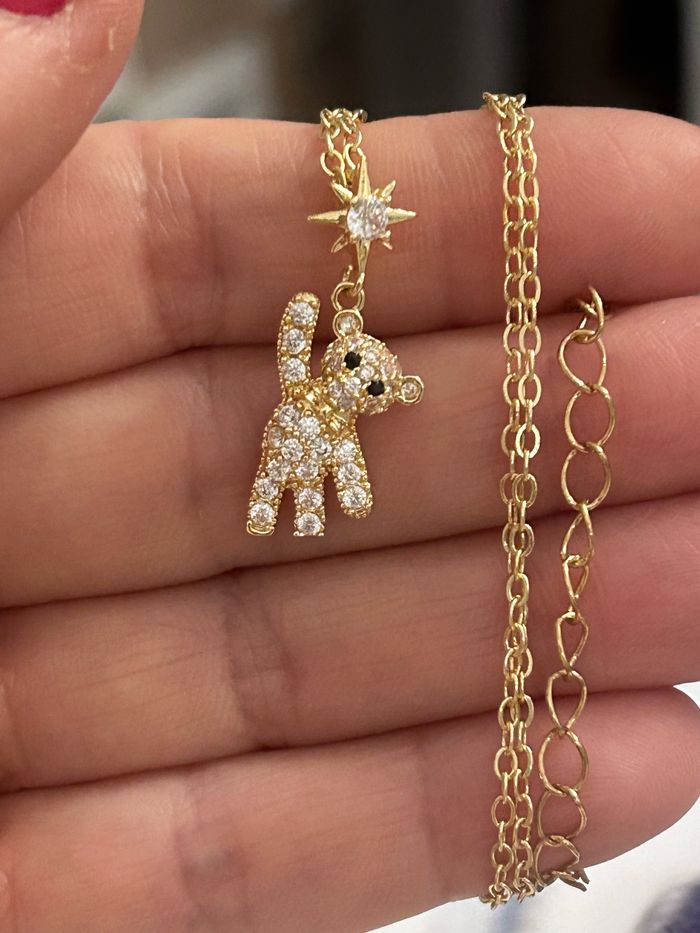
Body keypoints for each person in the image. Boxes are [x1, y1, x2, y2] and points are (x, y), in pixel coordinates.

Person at [0, 1, 697, 930]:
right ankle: (274, 504)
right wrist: (306, 338)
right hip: (295, 424)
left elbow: (371, 406)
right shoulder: (316, 368)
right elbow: (311, 368)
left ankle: (286, 502)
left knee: (331, 471)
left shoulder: (362, 379)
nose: (368, 380)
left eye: (370, 378)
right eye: (362, 372)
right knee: (288, 473)